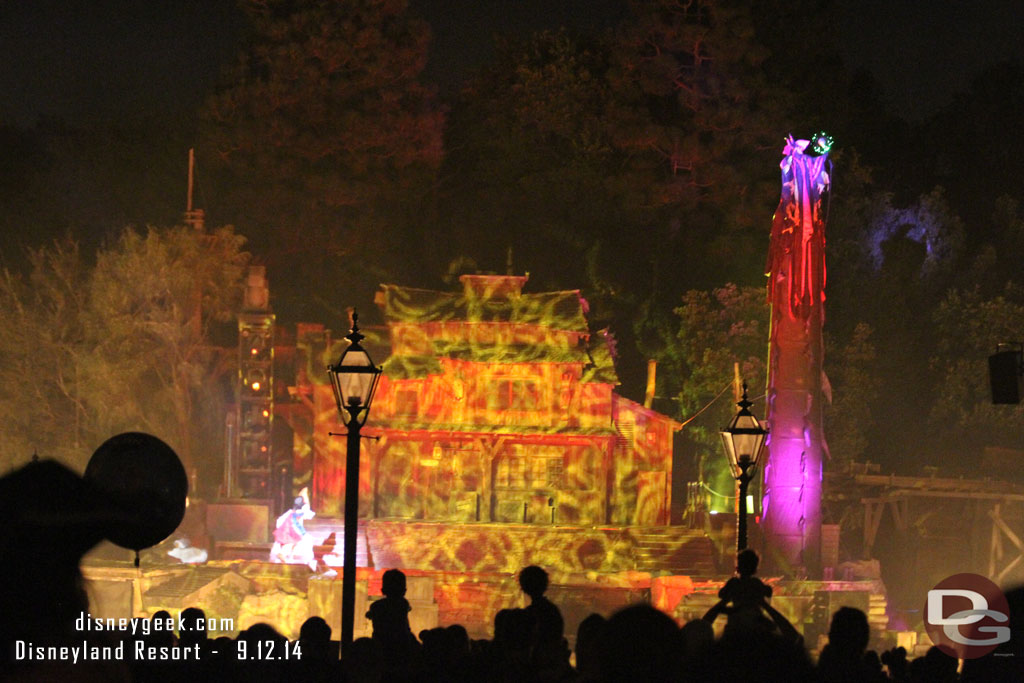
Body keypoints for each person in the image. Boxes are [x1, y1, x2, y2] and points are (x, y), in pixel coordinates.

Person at [270, 487, 317, 570]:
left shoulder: (290, 513)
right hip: (292, 530)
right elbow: (307, 508)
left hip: (289, 531)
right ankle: (283, 555)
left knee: (294, 543)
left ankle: (284, 555)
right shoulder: (299, 512)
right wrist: (304, 494)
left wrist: (303, 494)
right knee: (297, 541)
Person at [718, 549, 772, 616]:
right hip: (753, 618)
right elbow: (768, 592)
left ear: (737, 567)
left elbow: (721, 594)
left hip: (737, 618)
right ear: (755, 569)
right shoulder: (755, 583)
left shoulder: (734, 582)